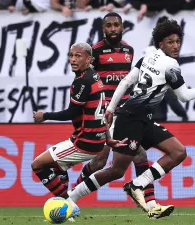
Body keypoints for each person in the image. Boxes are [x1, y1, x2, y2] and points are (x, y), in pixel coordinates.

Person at [65, 19, 195, 219]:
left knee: (178, 152)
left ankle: (139, 186)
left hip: (141, 119)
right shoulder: (171, 65)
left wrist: (111, 108)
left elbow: (127, 80)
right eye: (170, 42)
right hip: (130, 120)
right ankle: (70, 198)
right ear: (160, 43)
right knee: (115, 170)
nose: (175, 46)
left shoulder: (149, 57)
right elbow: (184, 96)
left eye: (178, 41)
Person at [69, 12, 172, 216]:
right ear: (103, 29)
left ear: (122, 27)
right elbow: (87, 80)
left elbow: (129, 80)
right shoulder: (96, 52)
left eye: (117, 25)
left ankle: (151, 204)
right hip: (104, 113)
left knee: (140, 153)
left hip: (126, 112)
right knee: (100, 161)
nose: (113, 29)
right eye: (109, 25)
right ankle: (70, 199)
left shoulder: (128, 50)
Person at [31, 42, 126, 220]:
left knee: (37, 165)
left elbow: (71, 112)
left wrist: (44, 116)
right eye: (71, 55)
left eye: (78, 56)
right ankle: (65, 210)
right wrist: (108, 139)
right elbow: (102, 112)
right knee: (58, 167)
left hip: (83, 142)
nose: (73, 60)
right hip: (96, 140)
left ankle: (68, 205)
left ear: (89, 59)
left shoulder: (83, 81)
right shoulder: (95, 77)